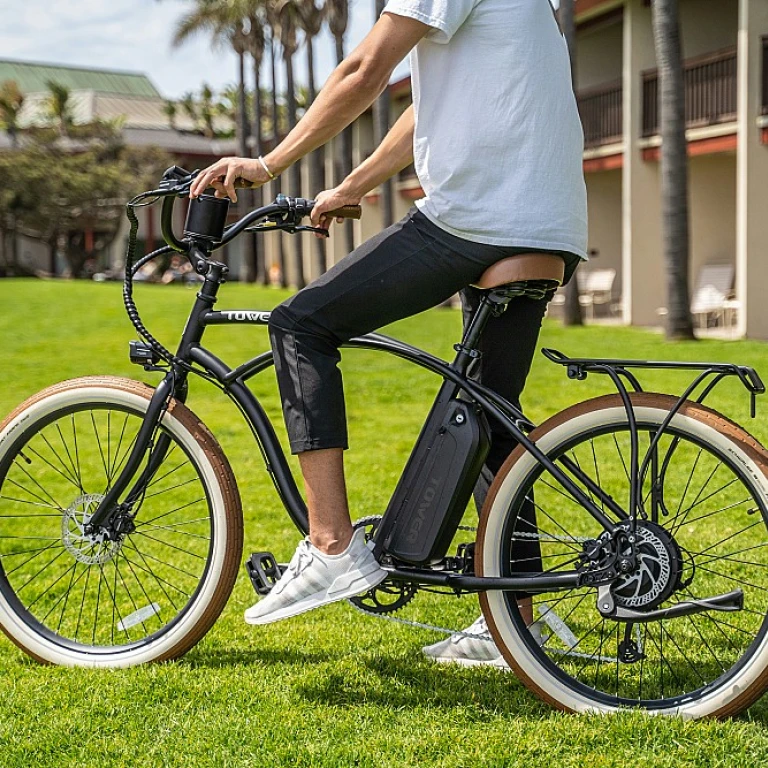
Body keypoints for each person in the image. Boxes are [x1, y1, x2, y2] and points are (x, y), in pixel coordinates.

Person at [190, 0, 587, 665]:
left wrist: (270, 162)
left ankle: (331, 546)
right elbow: (431, 110)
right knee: (488, 415)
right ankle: (515, 621)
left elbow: (364, 67)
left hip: (477, 218)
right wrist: (351, 184)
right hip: (547, 224)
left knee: (300, 324)